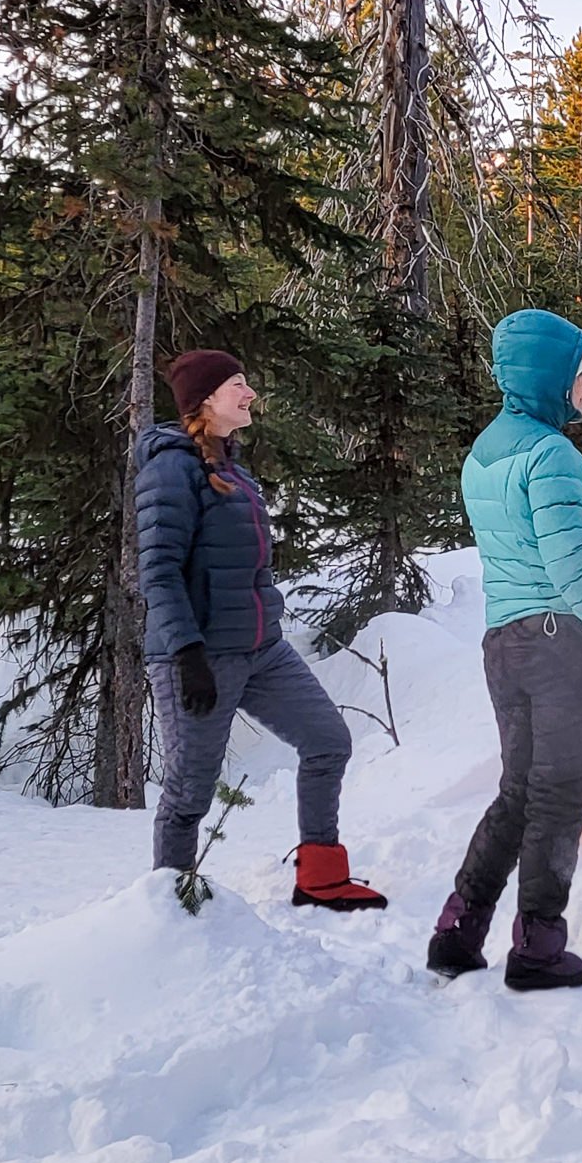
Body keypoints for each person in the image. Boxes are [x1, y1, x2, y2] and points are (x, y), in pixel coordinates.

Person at [427, 310, 582, 990]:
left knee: (518, 792)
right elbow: (572, 570)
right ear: (551, 375)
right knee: (556, 800)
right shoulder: (554, 456)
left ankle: (458, 931)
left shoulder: (486, 450)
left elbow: (526, 535)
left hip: (505, 646)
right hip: (561, 650)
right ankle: (538, 949)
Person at [136, 349, 387, 911]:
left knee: (328, 742)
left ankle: (320, 877)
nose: (250, 394)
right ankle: (169, 911)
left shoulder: (233, 471)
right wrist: (187, 653)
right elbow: (157, 569)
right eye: (238, 384)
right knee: (188, 792)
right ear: (205, 400)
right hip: (200, 657)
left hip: (261, 650)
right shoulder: (170, 469)